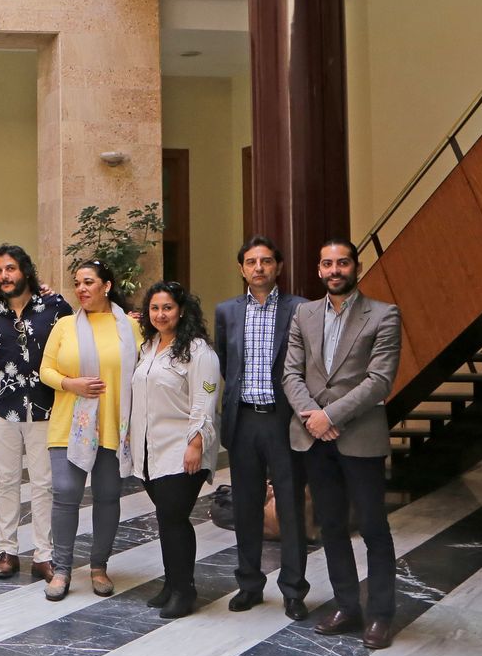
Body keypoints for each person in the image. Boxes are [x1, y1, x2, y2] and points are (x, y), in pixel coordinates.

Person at [283, 238, 402, 650]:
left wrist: (329, 416)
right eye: (327, 263)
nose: (335, 270)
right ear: (318, 270)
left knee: (373, 527)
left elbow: (380, 380)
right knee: (330, 525)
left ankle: (381, 614)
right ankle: (348, 606)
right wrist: (312, 417)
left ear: (356, 266)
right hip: (313, 439)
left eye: (343, 263)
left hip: (360, 437)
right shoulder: (304, 313)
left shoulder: (384, 315)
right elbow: (290, 375)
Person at [213, 236, 310, 621]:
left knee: (289, 506)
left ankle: (293, 590)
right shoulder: (226, 312)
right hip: (244, 420)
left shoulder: (300, 309)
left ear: (278, 267)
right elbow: (225, 362)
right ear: (241, 269)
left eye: (266, 261)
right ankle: (249, 584)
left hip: (284, 420)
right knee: (247, 506)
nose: (258, 268)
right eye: (251, 262)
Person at [38, 259, 141, 601]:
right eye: (77, 283)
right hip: (70, 424)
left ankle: (99, 566)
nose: (81, 289)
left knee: (108, 497)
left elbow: (145, 367)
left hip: (114, 425)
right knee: (66, 494)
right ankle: (62, 569)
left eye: (88, 282)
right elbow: (46, 371)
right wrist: (72, 383)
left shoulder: (129, 327)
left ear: (106, 286)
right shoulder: (65, 325)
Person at [124, 280, 219, 618]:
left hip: (182, 450)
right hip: (151, 452)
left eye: (167, 308)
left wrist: (196, 443)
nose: (161, 314)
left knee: (175, 518)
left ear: (181, 311)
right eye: (155, 308)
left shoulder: (198, 351)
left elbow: (205, 400)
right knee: (166, 519)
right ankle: (172, 582)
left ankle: (185, 590)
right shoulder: (148, 347)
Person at [0, 244, 71, 582]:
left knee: (43, 483)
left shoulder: (55, 306)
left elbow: (76, 341)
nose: (5, 275)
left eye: (11, 269)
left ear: (25, 271)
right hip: (2, 406)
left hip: (46, 405)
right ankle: (7, 551)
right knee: (6, 480)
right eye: (0, 270)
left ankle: (43, 555)